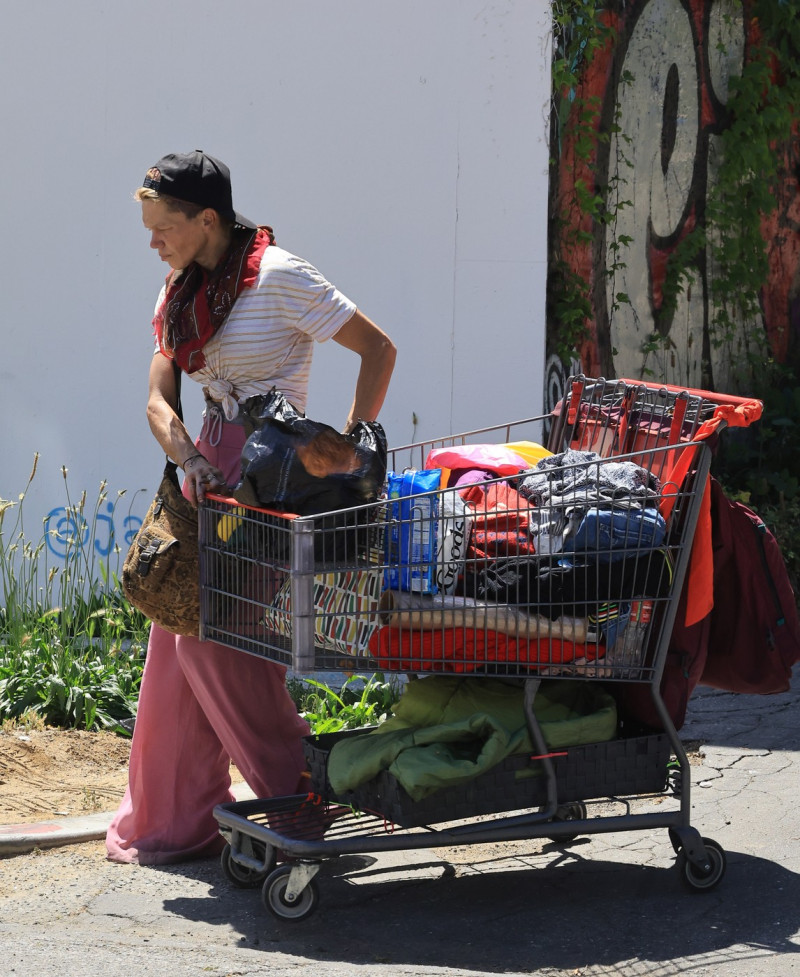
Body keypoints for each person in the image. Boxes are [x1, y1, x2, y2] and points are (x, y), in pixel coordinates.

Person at [106, 150, 396, 864]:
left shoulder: (282, 277)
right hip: (205, 472)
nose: (152, 243)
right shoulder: (181, 294)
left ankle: (295, 788)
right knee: (172, 641)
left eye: (162, 227)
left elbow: (378, 349)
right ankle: (175, 819)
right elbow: (156, 398)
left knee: (220, 638)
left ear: (207, 219)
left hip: (271, 476)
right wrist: (190, 458)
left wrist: (347, 453)